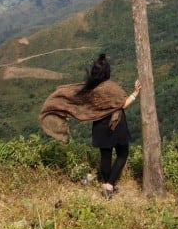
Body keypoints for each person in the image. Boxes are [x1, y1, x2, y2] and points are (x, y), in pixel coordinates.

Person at [39, 53, 141, 200]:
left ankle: (107, 184)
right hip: (117, 125)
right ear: (107, 72)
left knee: (105, 156)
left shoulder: (89, 89)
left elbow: (76, 103)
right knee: (122, 154)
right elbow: (123, 104)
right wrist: (136, 93)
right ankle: (109, 184)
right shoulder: (111, 88)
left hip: (100, 126)